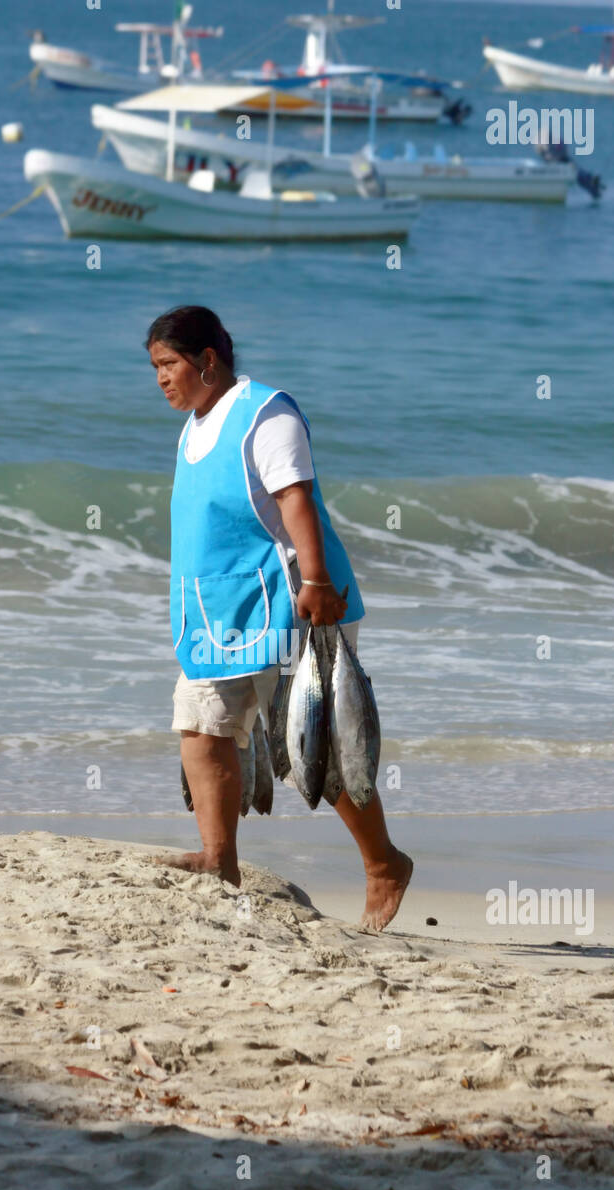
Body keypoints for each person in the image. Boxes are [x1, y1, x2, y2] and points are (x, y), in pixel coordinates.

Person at [147, 305, 413, 931]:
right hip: (218, 607)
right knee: (202, 721)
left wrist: (318, 583)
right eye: (155, 367)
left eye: (168, 364)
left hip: (293, 601)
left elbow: (297, 500)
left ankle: (383, 864)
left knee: (312, 744)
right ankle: (219, 860)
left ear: (207, 360)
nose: (160, 378)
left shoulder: (266, 414)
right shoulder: (194, 424)